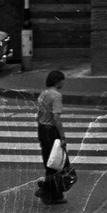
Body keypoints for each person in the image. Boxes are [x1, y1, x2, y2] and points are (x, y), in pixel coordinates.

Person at [37, 69, 69, 205]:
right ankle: (47, 191)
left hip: (42, 129)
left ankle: (53, 193)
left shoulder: (43, 94)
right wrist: (62, 136)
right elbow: (56, 117)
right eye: (62, 80)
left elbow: (39, 114)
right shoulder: (56, 95)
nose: (63, 83)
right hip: (51, 130)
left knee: (50, 161)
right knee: (56, 162)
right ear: (57, 81)